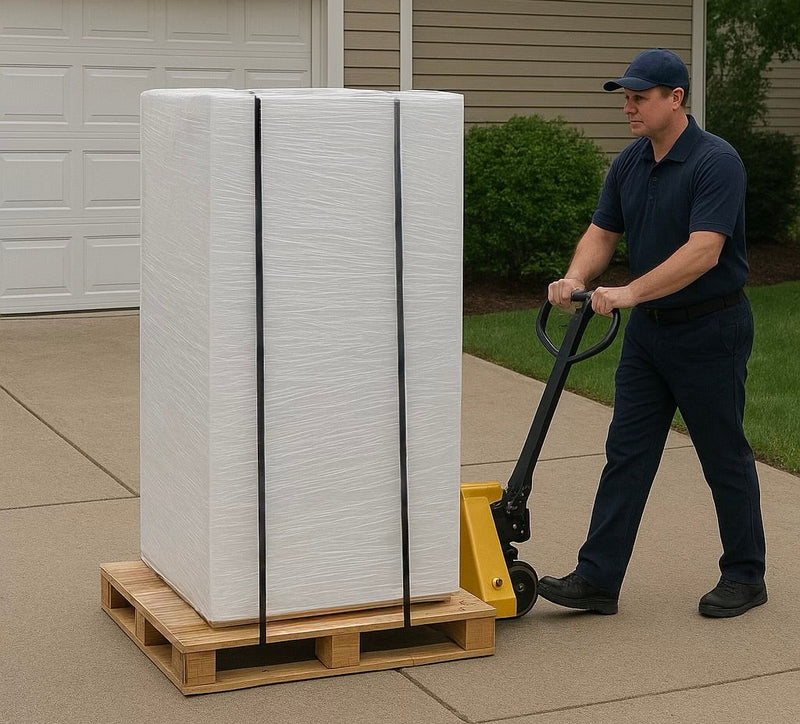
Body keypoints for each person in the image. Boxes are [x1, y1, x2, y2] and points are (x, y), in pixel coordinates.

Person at [539, 48, 767, 618]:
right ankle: (597, 579)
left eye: (640, 98)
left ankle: (745, 575)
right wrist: (575, 278)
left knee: (723, 454)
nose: (630, 108)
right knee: (627, 452)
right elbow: (602, 231)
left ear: (676, 99)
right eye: (627, 98)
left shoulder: (717, 162)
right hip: (650, 336)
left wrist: (629, 293)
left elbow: (704, 251)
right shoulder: (630, 162)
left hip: (711, 329)